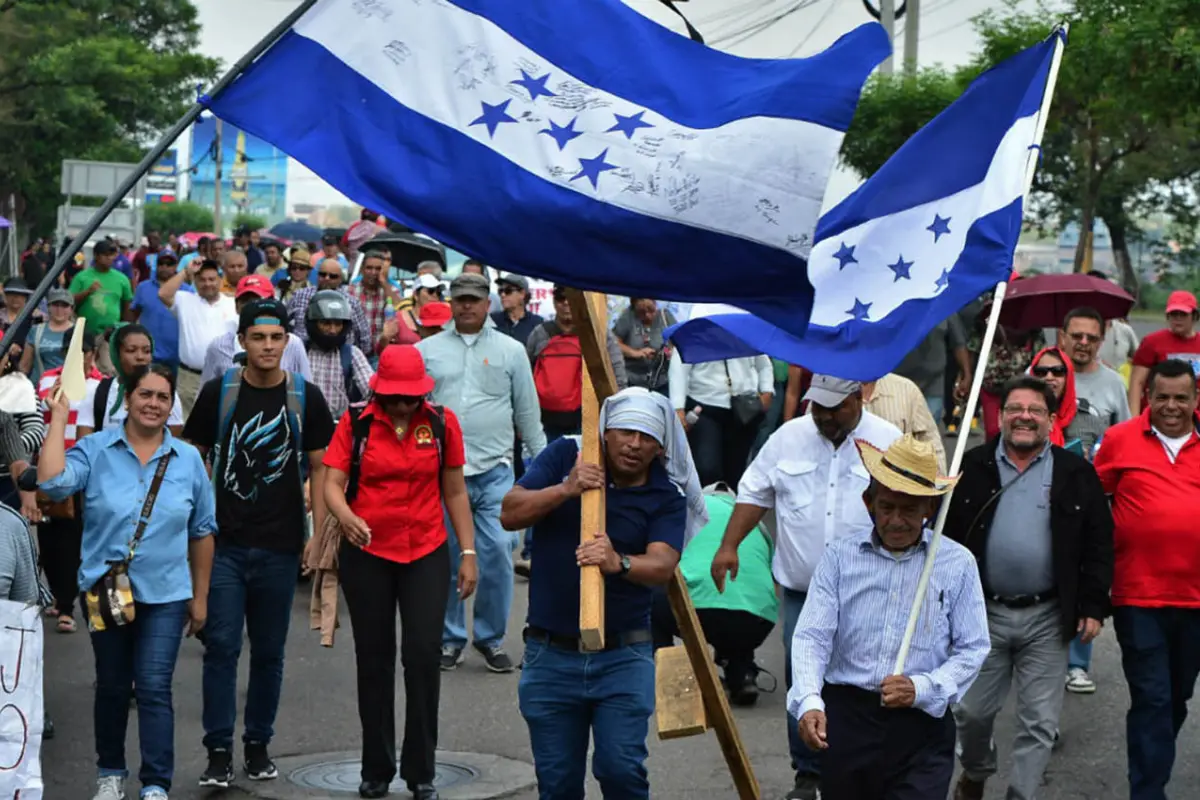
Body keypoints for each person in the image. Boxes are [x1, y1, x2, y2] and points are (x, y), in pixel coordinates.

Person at [711, 374, 901, 800]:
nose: (825, 417)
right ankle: (809, 773)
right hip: (805, 591)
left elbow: (914, 508)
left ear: (858, 399)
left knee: (867, 678)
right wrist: (729, 546)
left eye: (835, 408)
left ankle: (867, 764)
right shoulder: (788, 437)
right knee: (804, 679)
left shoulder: (888, 440)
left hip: (870, 588)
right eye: (819, 407)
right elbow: (755, 491)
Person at [500, 388, 694, 799]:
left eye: (646, 437)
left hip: (623, 657)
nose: (634, 445)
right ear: (605, 431)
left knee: (621, 770)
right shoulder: (565, 457)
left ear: (661, 447)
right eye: (625, 432)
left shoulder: (665, 495)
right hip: (550, 654)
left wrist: (618, 562)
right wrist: (565, 489)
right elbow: (510, 511)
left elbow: (661, 564)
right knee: (557, 782)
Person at [38, 363, 216, 800]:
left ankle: (155, 782)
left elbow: (203, 529)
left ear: (171, 403)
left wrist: (201, 598)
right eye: (145, 395)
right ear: (127, 400)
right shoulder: (96, 449)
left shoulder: (188, 459)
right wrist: (59, 419)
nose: (153, 404)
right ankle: (110, 774)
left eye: (162, 397)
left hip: (167, 592)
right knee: (114, 685)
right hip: (105, 590)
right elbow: (52, 484)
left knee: (154, 686)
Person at [183, 299, 334, 788]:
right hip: (223, 544)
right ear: (242, 342)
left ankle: (258, 744)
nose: (268, 347)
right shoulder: (217, 394)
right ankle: (219, 751)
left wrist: (318, 540)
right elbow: (192, 462)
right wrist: (188, 532)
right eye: (258, 338)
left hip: (281, 543)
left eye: (276, 338)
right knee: (221, 648)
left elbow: (323, 469)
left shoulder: (305, 396)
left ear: (286, 341)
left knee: (269, 652)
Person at [790, 434, 989, 800]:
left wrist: (924, 687)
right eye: (887, 507)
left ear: (930, 509)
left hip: (922, 726)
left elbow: (973, 647)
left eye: (910, 509)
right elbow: (811, 637)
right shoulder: (839, 557)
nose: (896, 520)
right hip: (849, 719)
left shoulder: (957, 563)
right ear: (869, 504)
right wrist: (809, 700)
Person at [944, 376, 1113, 800]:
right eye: (1015, 408)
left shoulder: (1075, 474)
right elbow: (945, 542)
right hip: (983, 614)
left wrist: (1092, 605)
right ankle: (977, 771)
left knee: (1039, 721)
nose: (1024, 416)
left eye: (1035, 410)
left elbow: (1098, 541)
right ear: (1000, 417)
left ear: (1051, 420)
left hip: (1047, 616)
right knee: (970, 711)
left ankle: (1021, 793)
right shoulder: (972, 467)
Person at [322, 346, 476, 800]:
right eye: (396, 398)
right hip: (367, 549)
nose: (404, 405)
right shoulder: (357, 422)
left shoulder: (443, 423)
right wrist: (344, 514)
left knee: (423, 656)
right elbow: (331, 481)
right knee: (374, 659)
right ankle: (376, 768)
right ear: (380, 392)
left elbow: (455, 490)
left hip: (426, 549)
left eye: (412, 398)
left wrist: (468, 552)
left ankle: (421, 770)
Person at [417, 272, 546, 673]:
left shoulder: (511, 351)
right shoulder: (427, 350)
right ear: (451, 301)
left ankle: (489, 638)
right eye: (461, 299)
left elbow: (528, 414)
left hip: (496, 472)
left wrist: (542, 474)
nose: (468, 305)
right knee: (450, 556)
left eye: (475, 299)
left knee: (498, 555)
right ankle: (450, 639)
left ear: (487, 301)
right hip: (444, 472)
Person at [1093, 359, 1200, 800]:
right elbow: (1088, 503)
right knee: (1153, 697)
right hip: (1138, 596)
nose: (1171, 406)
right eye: (1162, 397)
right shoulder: (1119, 441)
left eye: (1181, 398)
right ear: (1147, 397)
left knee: (1176, 699)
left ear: (1195, 400)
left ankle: (1152, 764)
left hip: (1196, 602)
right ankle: (1148, 791)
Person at [651, 487, 776, 706]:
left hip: (698, 610)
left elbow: (662, 562)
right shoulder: (758, 525)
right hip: (759, 618)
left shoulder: (686, 512)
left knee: (651, 598)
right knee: (738, 612)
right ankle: (743, 675)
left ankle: (670, 677)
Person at [36, 326, 104, 633]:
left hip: (81, 469)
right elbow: (37, 418)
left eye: (84, 352)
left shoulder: (101, 385)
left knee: (72, 537)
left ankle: (67, 605)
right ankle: (57, 594)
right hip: (49, 467)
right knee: (49, 539)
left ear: (92, 354)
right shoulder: (48, 379)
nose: (79, 357)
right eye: (72, 352)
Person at [669, 350, 774, 490]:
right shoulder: (694, 330)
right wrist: (678, 408)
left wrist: (767, 391)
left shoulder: (746, 332)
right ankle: (704, 507)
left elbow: (764, 365)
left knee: (735, 472)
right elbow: (679, 368)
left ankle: (727, 508)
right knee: (707, 468)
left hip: (744, 410)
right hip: (705, 407)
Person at [159, 258, 238, 416]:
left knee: (219, 422)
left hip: (223, 378)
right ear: (194, 281)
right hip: (190, 378)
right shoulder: (184, 299)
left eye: (212, 279)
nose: (207, 283)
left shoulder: (233, 303)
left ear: (220, 280)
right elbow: (163, 294)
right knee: (186, 426)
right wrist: (186, 271)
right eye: (202, 279)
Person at [76, 323, 185, 438]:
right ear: (116, 354)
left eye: (146, 351)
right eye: (131, 350)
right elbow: (85, 445)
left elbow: (172, 443)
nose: (140, 357)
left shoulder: (166, 392)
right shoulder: (96, 392)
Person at [199, 275, 312, 385]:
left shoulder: (293, 344)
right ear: (237, 307)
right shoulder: (219, 346)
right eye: (245, 302)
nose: (252, 308)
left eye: (258, 301)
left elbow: (307, 389)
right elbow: (206, 396)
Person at [1059, 306, 1131, 457]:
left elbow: (1125, 437)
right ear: (1063, 337)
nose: (1084, 343)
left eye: (1092, 338)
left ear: (1101, 342)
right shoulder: (1041, 373)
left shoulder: (1115, 383)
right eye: (1077, 336)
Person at [304, 290, 374, 422]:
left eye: (338, 324)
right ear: (313, 323)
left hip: (340, 427)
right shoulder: (301, 351)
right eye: (326, 323)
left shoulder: (352, 353)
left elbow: (371, 390)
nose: (332, 330)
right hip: (305, 425)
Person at [1128, 290, 1200, 415]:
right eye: (1173, 314)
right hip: (1158, 415)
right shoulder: (1152, 342)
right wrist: (1134, 420)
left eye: (1182, 314)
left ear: (1194, 316)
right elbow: (1136, 382)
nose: (1177, 319)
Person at [858, 372, 946, 472]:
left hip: (900, 482)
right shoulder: (838, 393)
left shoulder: (906, 390)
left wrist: (939, 481)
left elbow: (930, 444)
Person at [286, 260, 373, 354]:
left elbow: (364, 336)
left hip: (339, 357)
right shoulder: (300, 296)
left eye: (332, 276)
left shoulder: (351, 302)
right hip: (301, 353)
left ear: (340, 279)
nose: (326, 278)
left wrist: (354, 357)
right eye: (323, 274)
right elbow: (285, 323)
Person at [0, 343, 44, 512]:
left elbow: (35, 432)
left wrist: (8, 446)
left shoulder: (19, 388)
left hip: (8, 480)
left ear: (7, 359)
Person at [130, 250, 189, 372]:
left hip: (177, 356)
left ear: (176, 266)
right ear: (156, 265)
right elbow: (133, 316)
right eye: (161, 263)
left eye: (169, 264)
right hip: (149, 354)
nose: (164, 267)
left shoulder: (187, 291)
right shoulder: (143, 287)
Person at [70, 239, 133, 337]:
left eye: (112, 255)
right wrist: (87, 292)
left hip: (111, 334)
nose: (109, 258)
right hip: (85, 332)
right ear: (96, 255)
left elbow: (127, 305)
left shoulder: (122, 279)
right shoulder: (81, 277)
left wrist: (124, 329)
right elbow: (69, 301)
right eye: (106, 255)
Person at [613, 297, 676, 395]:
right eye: (641, 312)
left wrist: (670, 353)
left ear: (655, 303)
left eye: (651, 310)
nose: (648, 315)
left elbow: (679, 342)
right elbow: (613, 343)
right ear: (634, 310)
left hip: (662, 381)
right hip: (633, 382)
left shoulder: (665, 315)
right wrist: (636, 353)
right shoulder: (628, 317)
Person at [346, 249, 403, 351]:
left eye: (378, 269)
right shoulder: (351, 290)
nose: (373, 272)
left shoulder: (391, 290)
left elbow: (401, 310)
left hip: (380, 351)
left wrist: (384, 283)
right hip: (355, 350)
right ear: (362, 269)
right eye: (369, 268)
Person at [21, 287, 76, 384]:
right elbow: (25, 365)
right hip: (40, 388)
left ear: (71, 309)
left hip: (69, 387)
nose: (59, 309)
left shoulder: (79, 331)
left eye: (64, 305)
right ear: (48, 307)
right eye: (55, 305)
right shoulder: (36, 330)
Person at [490, 274, 542, 346]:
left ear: (522, 294)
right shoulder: (492, 320)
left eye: (508, 291)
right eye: (500, 291)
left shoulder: (537, 323)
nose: (503, 295)